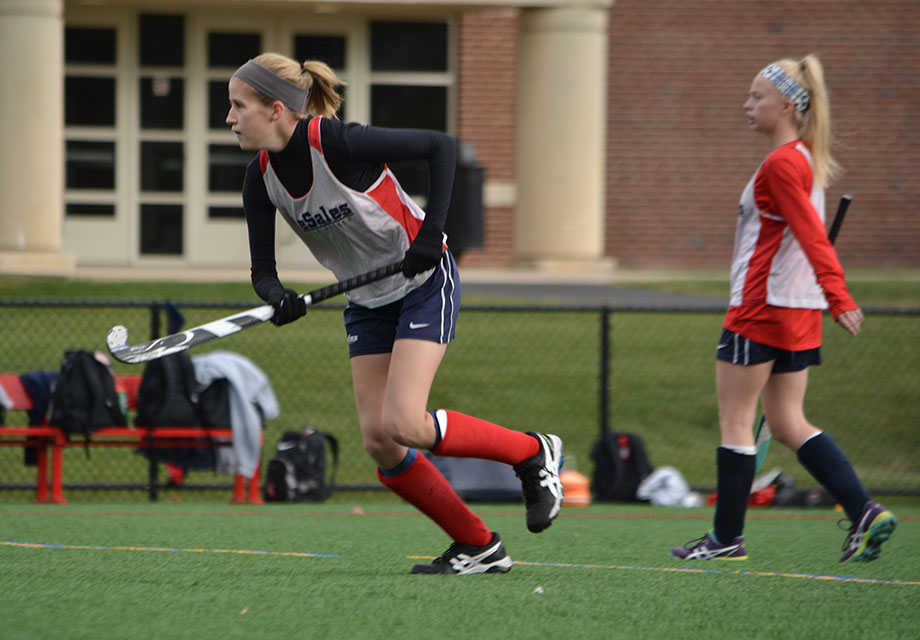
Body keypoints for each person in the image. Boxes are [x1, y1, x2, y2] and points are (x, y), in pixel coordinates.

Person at [226, 53, 564, 574]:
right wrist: (278, 297)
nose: (229, 118)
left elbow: (440, 147)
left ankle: (531, 452)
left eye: (237, 105)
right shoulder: (261, 178)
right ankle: (478, 545)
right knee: (381, 442)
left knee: (405, 421)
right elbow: (263, 271)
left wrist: (431, 236)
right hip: (367, 302)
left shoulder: (335, 142)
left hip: (424, 280)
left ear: (275, 109)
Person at [669, 55, 896, 562]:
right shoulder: (804, 161)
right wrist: (829, 298)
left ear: (788, 105)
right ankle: (864, 511)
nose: (746, 105)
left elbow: (813, 237)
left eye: (756, 97)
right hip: (797, 311)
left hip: (760, 307)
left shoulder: (782, 162)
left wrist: (839, 295)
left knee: (735, 422)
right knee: (790, 422)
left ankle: (726, 538)